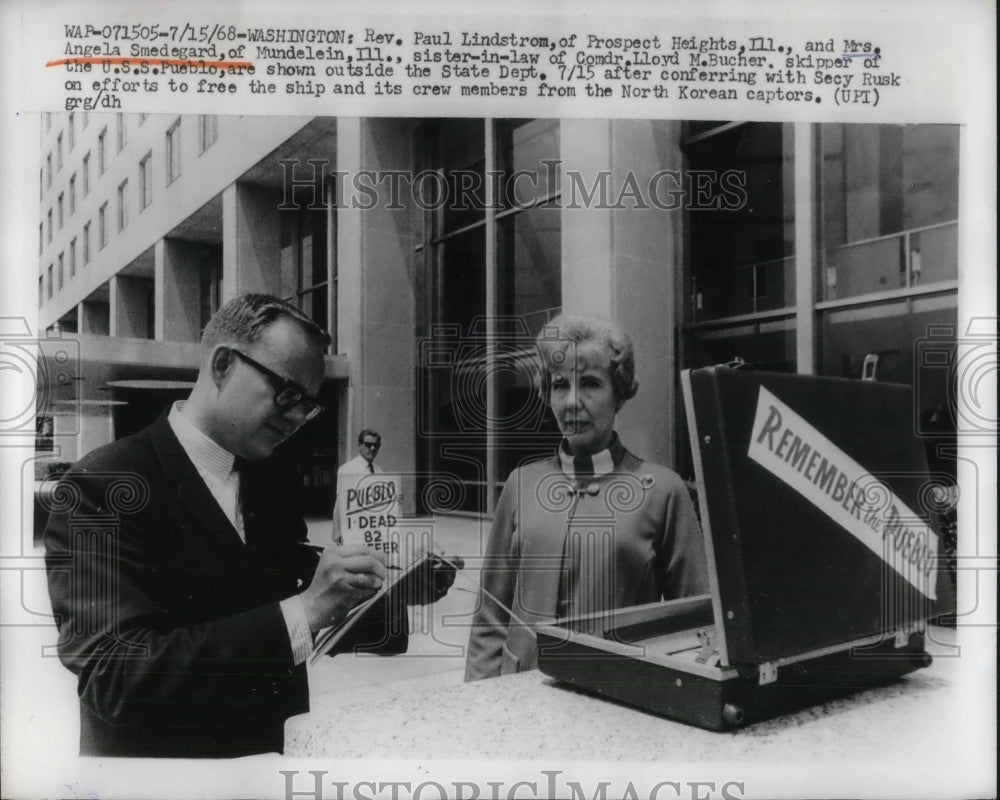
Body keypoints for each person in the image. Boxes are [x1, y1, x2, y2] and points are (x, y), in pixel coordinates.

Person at [44, 293, 454, 758]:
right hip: (165, 780)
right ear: (222, 365)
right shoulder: (102, 486)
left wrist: (385, 593)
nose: (299, 418)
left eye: (310, 405)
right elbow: (113, 675)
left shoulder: (270, 477)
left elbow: (291, 600)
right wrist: (307, 608)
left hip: (268, 763)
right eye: (288, 394)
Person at [465, 314, 710, 681]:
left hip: (619, 700)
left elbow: (698, 626)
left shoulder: (663, 489)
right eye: (560, 385)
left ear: (620, 394)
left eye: (591, 384)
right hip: (519, 700)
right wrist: (480, 706)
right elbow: (490, 617)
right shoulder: (520, 484)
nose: (572, 402)